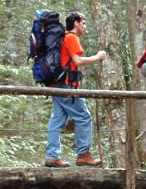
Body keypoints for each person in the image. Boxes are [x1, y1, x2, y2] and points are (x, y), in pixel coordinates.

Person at [44, 11, 106, 168]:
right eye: (83, 23)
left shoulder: (63, 37)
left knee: (57, 119)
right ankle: (83, 155)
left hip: (57, 85)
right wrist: (97, 57)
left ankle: (52, 156)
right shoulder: (71, 38)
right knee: (84, 117)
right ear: (76, 23)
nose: (85, 27)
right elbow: (77, 61)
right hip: (67, 86)